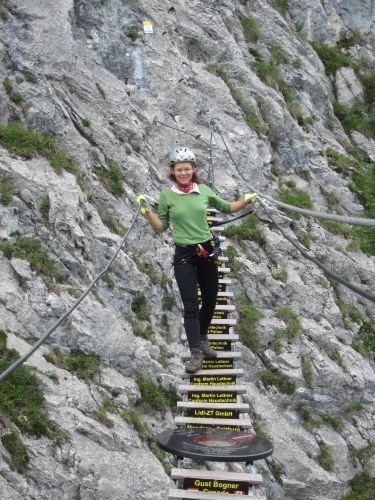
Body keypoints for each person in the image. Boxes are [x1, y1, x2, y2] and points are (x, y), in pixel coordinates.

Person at [136, 146, 258, 373]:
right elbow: (161, 227)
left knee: (211, 298)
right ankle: (195, 352)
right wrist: (146, 212)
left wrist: (246, 200)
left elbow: (226, 207)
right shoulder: (167, 195)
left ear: (193, 169)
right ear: (173, 171)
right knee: (191, 306)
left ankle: (202, 337)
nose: (183, 173)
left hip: (206, 251)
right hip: (184, 256)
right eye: (179, 169)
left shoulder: (203, 190)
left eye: (187, 169)